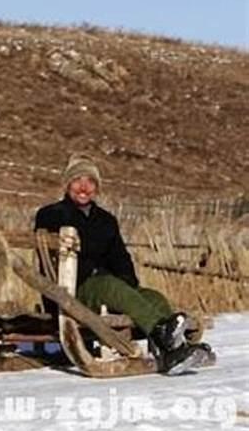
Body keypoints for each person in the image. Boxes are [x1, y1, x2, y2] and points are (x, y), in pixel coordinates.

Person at [34, 153, 212, 375]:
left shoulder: (106, 220)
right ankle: (163, 334)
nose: (84, 187)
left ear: (97, 187)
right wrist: (101, 273)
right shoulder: (52, 214)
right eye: (78, 180)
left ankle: (172, 351)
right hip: (72, 289)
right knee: (110, 286)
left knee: (153, 297)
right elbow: (68, 254)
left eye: (90, 182)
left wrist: (128, 281)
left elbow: (120, 256)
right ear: (68, 183)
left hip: (107, 287)